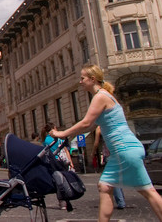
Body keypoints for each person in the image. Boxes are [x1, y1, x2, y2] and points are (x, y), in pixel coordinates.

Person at [50, 65, 162, 221]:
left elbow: (86, 123)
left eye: (83, 78)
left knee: (147, 191)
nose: (80, 82)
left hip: (124, 149)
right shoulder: (104, 95)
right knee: (105, 186)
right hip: (124, 150)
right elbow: (91, 126)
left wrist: (62, 133)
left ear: (92, 79)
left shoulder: (100, 96)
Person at [40, 122, 74, 210]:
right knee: (65, 180)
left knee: (58, 182)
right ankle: (68, 199)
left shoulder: (45, 140)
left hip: (53, 162)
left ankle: (62, 202)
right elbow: (66, 150)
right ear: (54, 128)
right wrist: (71, 162)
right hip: (63, 161)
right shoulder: (59, 138)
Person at [93, 125, 126, 210]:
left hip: (110, 157)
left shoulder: (99, 128)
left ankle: (121, 202)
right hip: (119, 154)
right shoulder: (114, 126)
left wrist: (93, 152)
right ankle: (122, 200)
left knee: (112, 180)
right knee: (117, 178)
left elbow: (96, 143)